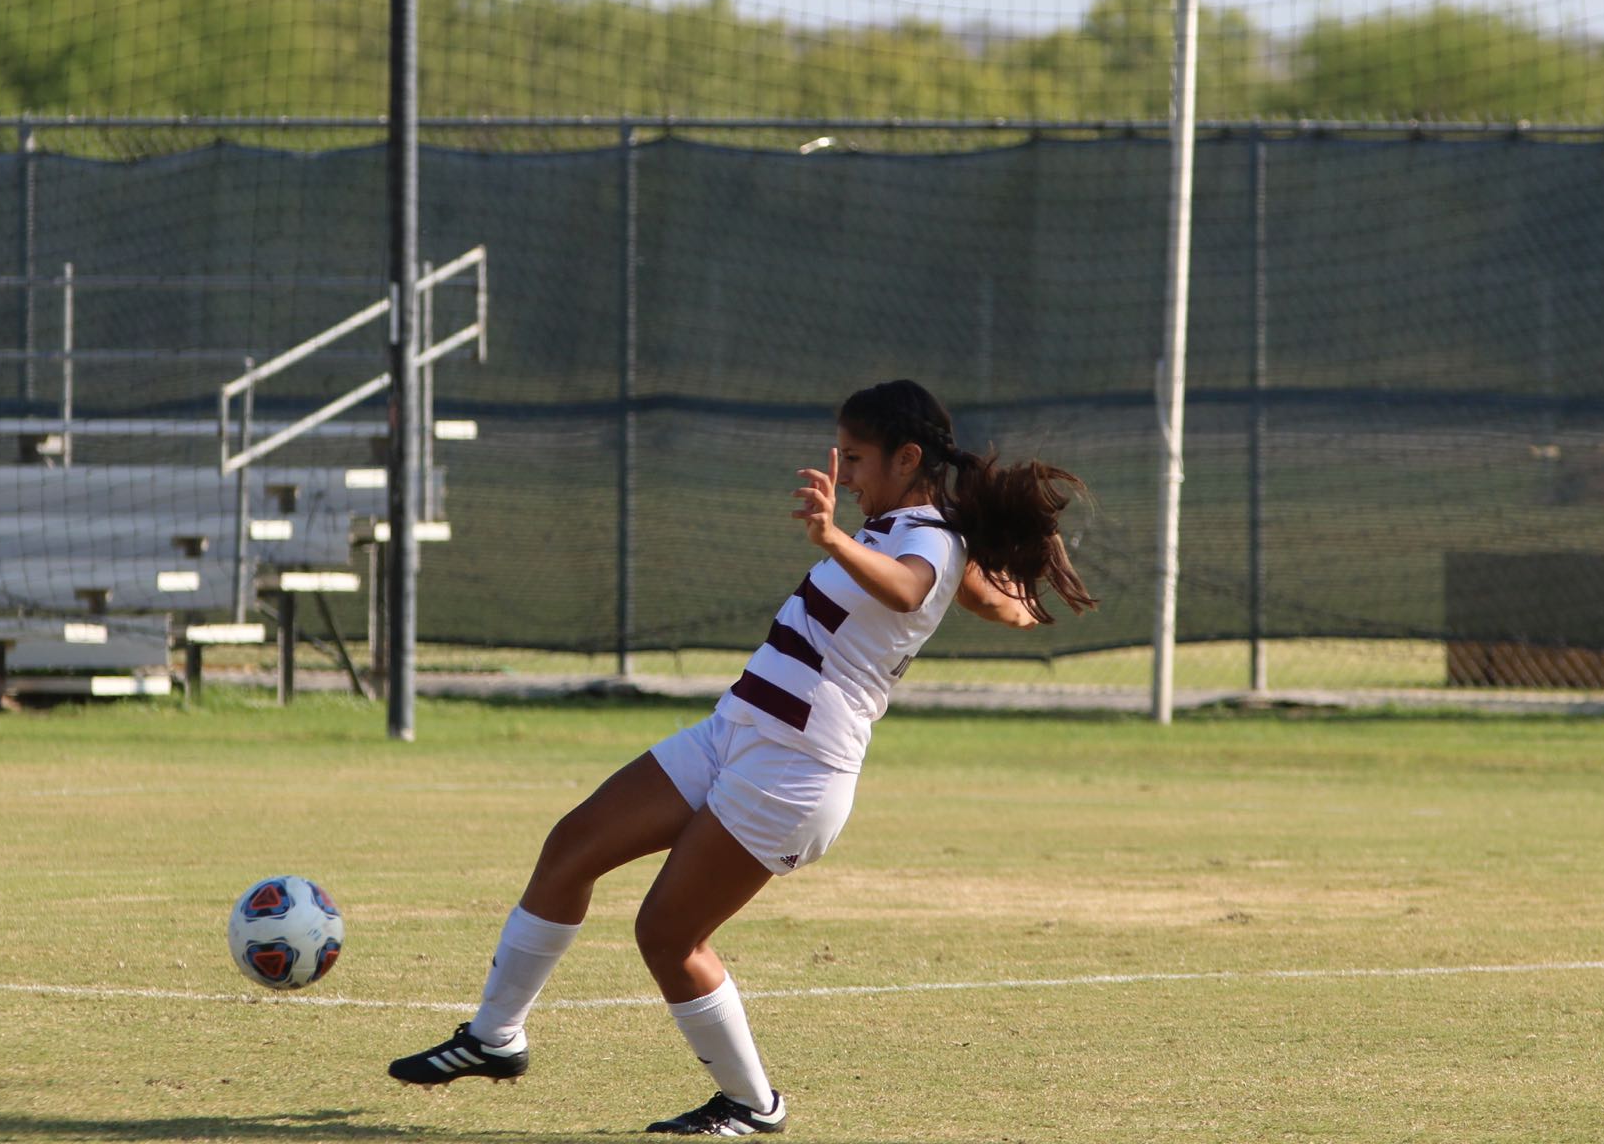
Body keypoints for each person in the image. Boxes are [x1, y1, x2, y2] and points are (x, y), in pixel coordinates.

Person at [388, 379, 1095, 1135]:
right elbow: (958, 588)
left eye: (856, 458)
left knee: (667, 935)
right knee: (572, 846)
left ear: (907, 457)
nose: (845, 474)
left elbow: (911, 586)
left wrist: (833, 541)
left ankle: (753, 1106)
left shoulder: (922, 539)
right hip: (735, 731)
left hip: (795, 770)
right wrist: (1006, 604)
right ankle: (495, 1038)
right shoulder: (915, 528)